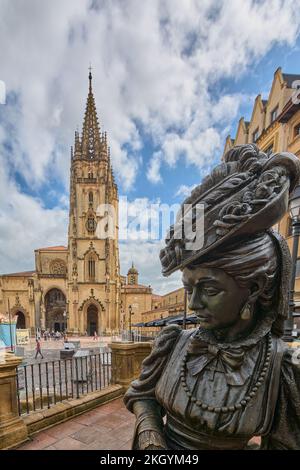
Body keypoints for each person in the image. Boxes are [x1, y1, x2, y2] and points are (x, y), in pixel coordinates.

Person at [124, 144, 300, 450]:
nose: (193, 304)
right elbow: (141, 395)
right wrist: (151, 437)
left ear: (255, 288)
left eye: (209, 289)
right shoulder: (173, 342)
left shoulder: (280, 366)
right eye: (189, 287)